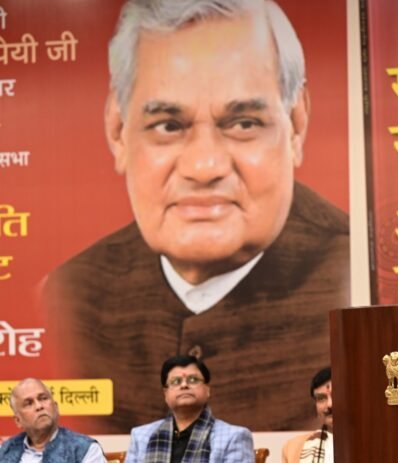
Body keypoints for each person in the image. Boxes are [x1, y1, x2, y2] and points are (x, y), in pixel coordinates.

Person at [42, 0, 350, 433]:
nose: (204, 167)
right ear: (118, 131)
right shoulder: (69, 295)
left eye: (243, 123)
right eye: (169, 125)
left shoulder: (361, 281)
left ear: (296, 125)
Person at [125, 355, 254, 463]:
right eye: (176, 381)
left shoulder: (234, 437)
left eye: (193, 380)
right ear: (165, 394)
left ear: (207, 390)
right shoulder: (141, 436)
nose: (184, 385)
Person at [0, 378, 107, 462]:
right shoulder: (4, 450)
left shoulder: (85, 449)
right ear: (18, 420)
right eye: (29, 403)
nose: (39, 406)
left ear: (56, 407)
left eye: (43, 398)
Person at [281, 367, 333, 463]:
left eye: (335, 395)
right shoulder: (293, 448)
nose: (329, 404)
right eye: (321, 398)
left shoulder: (363, 445)